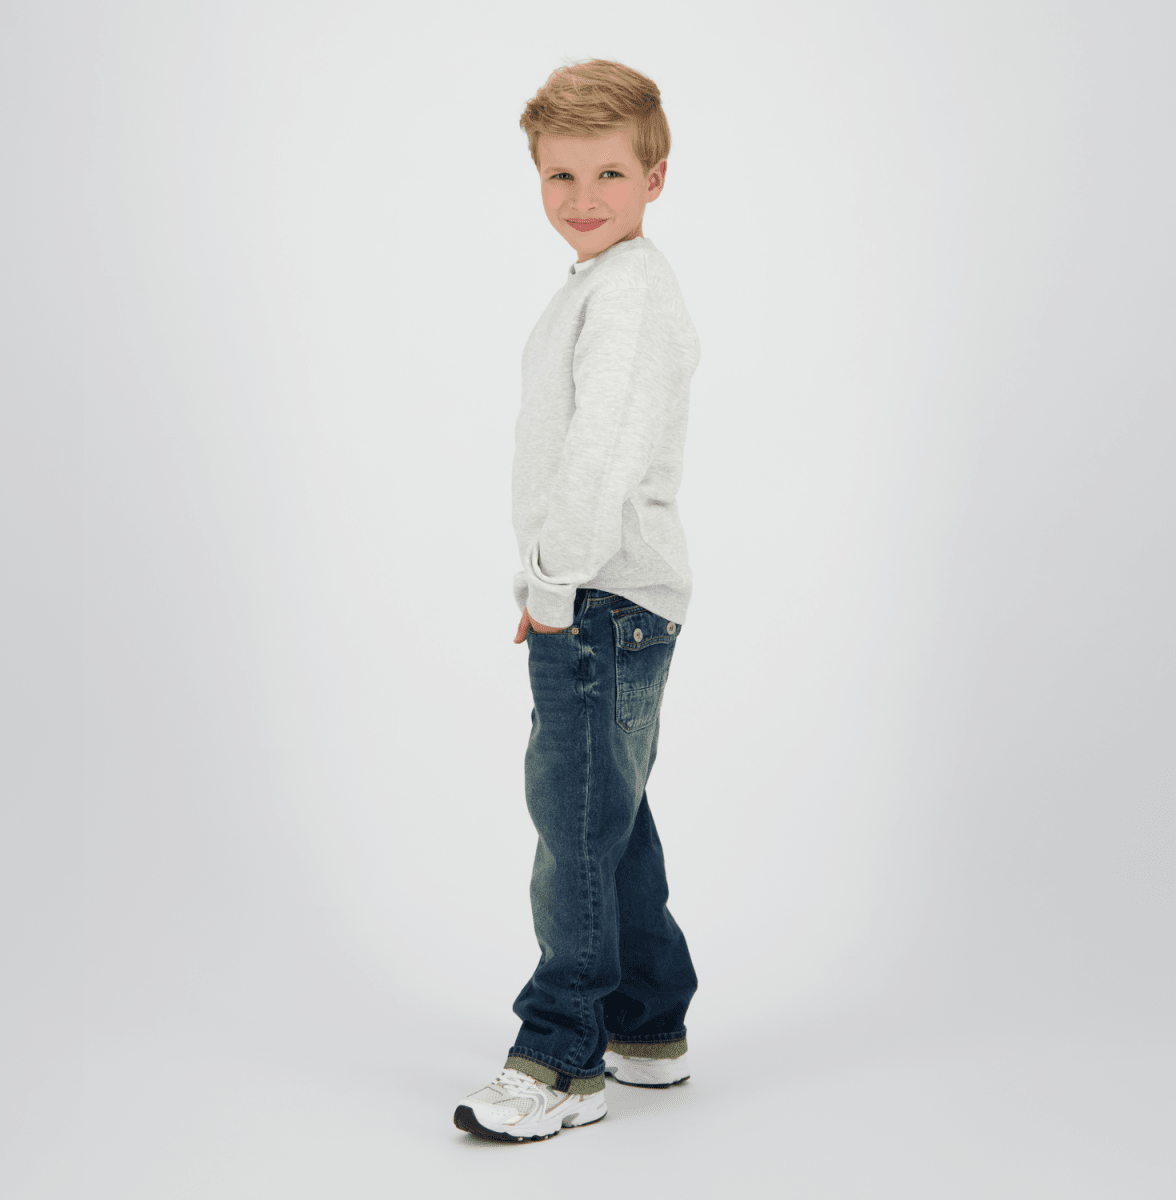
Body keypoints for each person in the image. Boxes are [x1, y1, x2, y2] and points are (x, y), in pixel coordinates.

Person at [453, 58, 701, 1143]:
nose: (583, 196)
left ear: (656, 176)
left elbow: (599, 456)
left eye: (609, 172)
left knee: (573, 833)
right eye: (561, 175)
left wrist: (556, 585)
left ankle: (561, 1057)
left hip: (599, 599)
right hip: (601, 595)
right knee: (611, 816)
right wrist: (551, 585)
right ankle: (648, 1022)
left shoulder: (629, 295)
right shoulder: (607, 284)